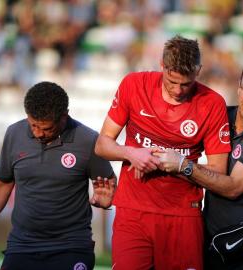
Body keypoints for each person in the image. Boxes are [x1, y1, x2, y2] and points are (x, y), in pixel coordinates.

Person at [94, 35, 231, 269]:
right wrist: (131, 153)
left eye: (186, 84)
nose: (178, 90)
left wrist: (181, 165)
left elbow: (219, 172)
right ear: (162, 66)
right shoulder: (134, 85)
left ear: (198, 70)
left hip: (183, 215)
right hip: (133, 211)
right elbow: (102, 144)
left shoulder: (212, 103)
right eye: (172, 81)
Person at [0, 81, 116, 270]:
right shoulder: (14, 134)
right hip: (22, 246)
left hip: (71, 247)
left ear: (64, 117)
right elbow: (2, 185)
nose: (38, 133)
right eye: (33, 125)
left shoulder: (88, 140)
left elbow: (108, 183)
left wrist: (106, 200)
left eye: (46, 128)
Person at [155, 59, 243, 269]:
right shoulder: (221, 115)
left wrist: (183, 166)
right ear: (239, 87)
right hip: (214, 239)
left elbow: (233, 187)